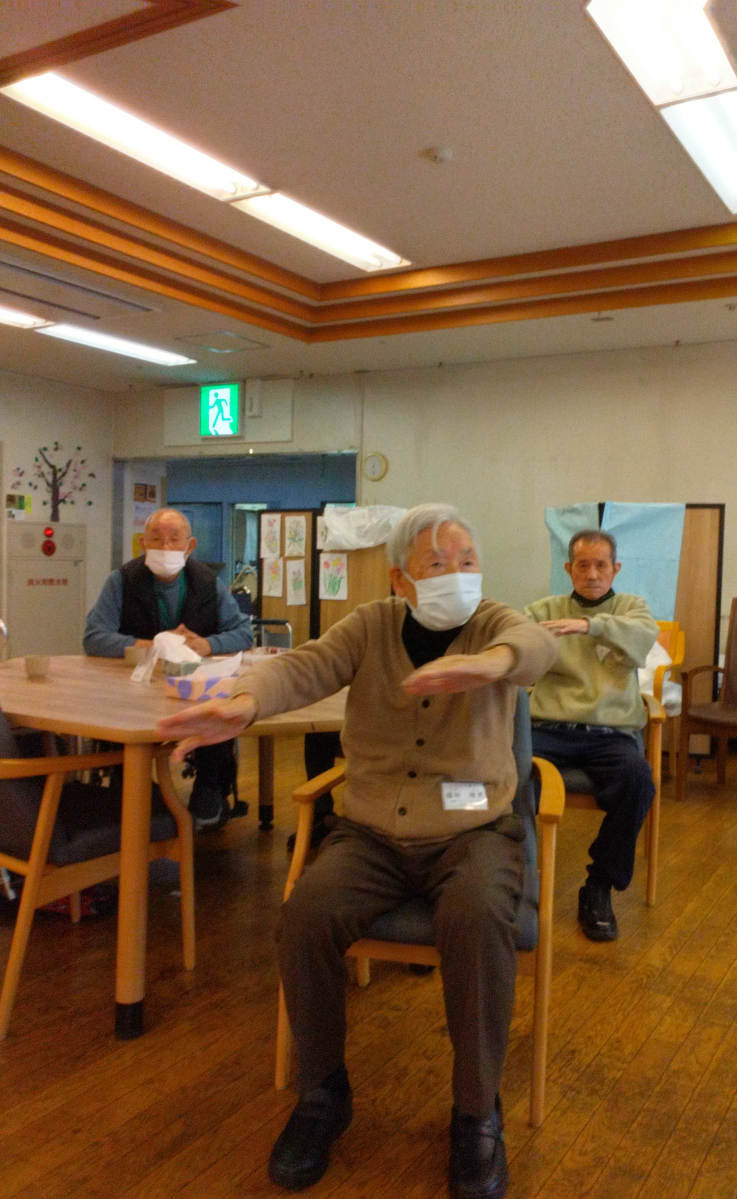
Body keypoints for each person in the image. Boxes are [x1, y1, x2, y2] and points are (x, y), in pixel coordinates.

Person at [157, 504, 557, 1199]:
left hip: (473, 834)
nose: (458, 575)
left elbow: (537, 646)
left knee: (475, 919)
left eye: (468, 561)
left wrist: (491, 663)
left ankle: (475, 1111)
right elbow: (305, 666)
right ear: (401, 579)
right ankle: (323, 1094)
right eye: (438, 564)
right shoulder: (371, 625)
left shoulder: (493, 622)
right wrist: (244, 703)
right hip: (372, 833)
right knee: (304, 916)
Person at [525, 529, 659, 943]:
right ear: (569, 569)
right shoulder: (544, 610)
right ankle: (517, 877)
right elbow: (515, 646)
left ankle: (599, 885)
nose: (592, 573)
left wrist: (589, 625)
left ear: (615, 568)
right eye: (582, 565)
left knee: (638, 780)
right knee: (500, 771)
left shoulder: (632, 608)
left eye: (601, 565)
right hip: (549, 728)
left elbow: (642, 636)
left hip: (610, 734)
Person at [84, 507, 254, 829]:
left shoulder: (209, 583)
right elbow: (94, 637)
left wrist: (207, 644)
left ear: (190, 546)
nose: (165, 547)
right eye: (156, 539)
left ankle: (209, 789)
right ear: (142, 543)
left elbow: (244, 633)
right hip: (133, 689)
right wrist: (150, 645)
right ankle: (128, 790)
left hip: (194, 687)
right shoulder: (122, 580)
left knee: (218, 712)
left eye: (174, 540)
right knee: (122, 723)